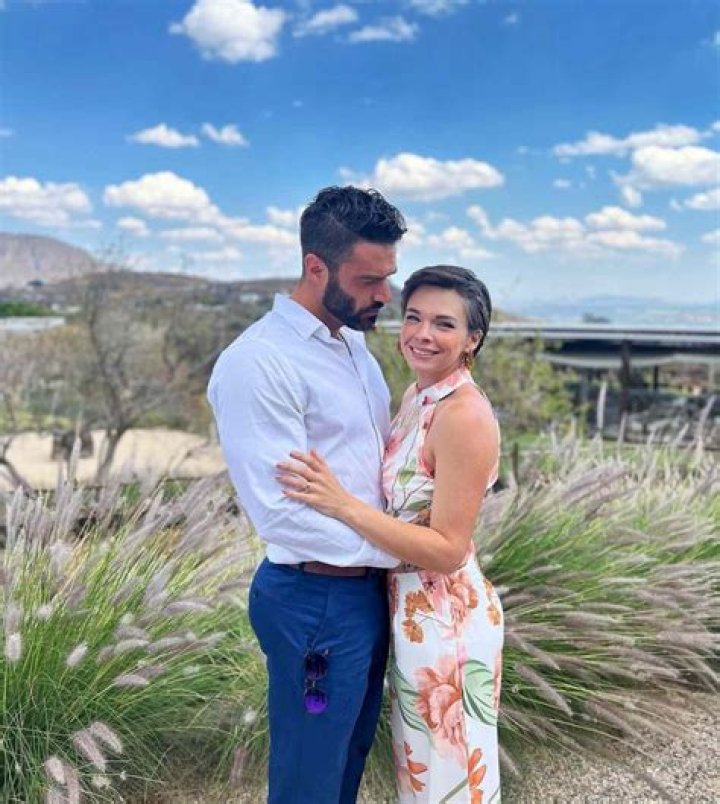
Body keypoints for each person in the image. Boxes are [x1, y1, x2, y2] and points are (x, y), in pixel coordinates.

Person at [207, 185, 407, 804]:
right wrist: (407, 550)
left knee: (346, 763)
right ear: (315, 267)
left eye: (388, 277)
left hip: (366, 591)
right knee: (308, 780)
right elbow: (283, 514)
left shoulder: (354, 347)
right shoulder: (259, 362)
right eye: (369, 280)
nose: (385, 294)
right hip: (315, 602)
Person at [277, 265, 504, 804]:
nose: (423, 334)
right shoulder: (419, 398)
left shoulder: (464, 416)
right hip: (410, 614)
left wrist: (342, 504)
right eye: (414, 317)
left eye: (444, 324)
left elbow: (448, 550)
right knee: (422, 778)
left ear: (472, 339)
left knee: (449, 782)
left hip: (447, 620)